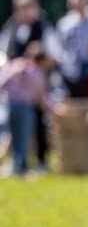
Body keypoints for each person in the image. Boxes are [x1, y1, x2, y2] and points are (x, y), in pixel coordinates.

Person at [2, 0, 50, 170]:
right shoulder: (11, 27)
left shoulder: (43, 26)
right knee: (14, 128)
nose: (24, 13)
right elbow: (5, 53)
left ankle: (41, 159)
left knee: (39, 123)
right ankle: (17, 161)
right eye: (20, 9)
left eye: (28, 8)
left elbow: (52, 55)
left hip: (37, 83)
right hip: (16, 87)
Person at [0, 39, 55, 178]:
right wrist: (54, 110)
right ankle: (21, 168)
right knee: (23, 140)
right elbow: (42, 97)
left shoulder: (14, 65)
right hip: (25, 108)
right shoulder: (37, 73)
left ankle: (14, 166)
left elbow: (2, 82)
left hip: (9, 106)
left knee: (10, 137)